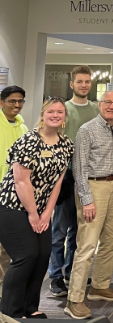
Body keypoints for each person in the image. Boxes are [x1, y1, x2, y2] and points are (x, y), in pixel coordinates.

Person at [0, 98, 73, 319]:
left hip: (42, 209)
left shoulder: (66, 144)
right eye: (51, 111)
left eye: (60, 112)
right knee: (26, 255)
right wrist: (33, 213)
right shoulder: (28, 141)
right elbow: (21, 181)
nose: (55, 115)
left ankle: (30, 307)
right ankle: (9, 312)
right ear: (42, 115)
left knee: (43, 255)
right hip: (12, 205)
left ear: (64, 118)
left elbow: (58, 182)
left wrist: (47, 213)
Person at [65, 91, 113, 320]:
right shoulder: (87, 130)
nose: (112, 106)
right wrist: (86, 200)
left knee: (112, 240)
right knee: (87, 245)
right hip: (93, 187)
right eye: (108, 102)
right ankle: (74, 299)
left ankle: (99, 286)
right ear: (100, 104)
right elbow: (79, 169)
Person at [49, 66, 99, 297]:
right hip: (65, 177)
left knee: (79, 230)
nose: (84, 85)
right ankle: (55, 276)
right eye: (79, 82)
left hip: (88, 178)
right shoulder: (63, 110)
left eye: (87, 82)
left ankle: (72, 271)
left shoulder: (96, 110)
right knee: (59, 229)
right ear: (72, 84)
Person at [0, 86, 28, 302]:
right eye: (12, 101)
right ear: (2, 102)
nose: (16, 105)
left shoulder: (23, 128)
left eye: (20, 101)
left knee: (8, 246)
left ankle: (6, 294)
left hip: (13, 195)